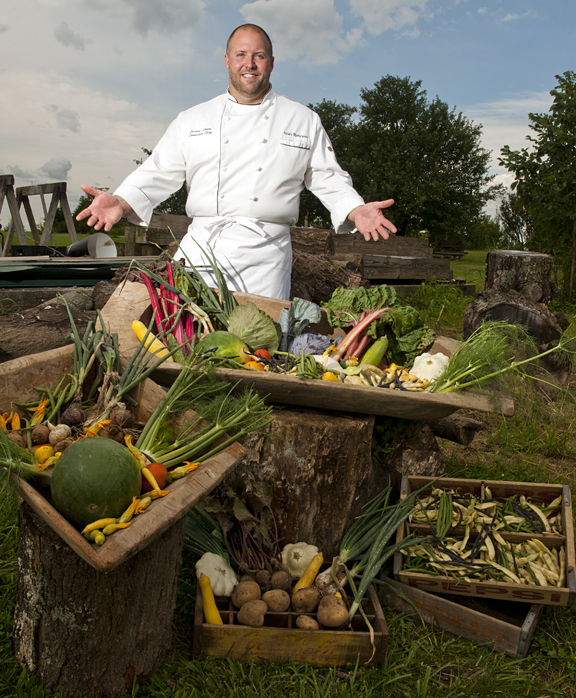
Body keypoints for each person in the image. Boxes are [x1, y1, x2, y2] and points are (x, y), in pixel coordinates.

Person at [77, 23, 397, 300]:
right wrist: (120, 200)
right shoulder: (193, 119)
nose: (250, 64)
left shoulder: (302, 119)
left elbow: (328, 177)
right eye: (241, 55)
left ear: (271, 63)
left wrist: (356, 210)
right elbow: (158, 171)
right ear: (227, 61)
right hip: (202, 247)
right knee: (189, 337)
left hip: (266, 254)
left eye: (259, 56)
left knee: (255, 346)